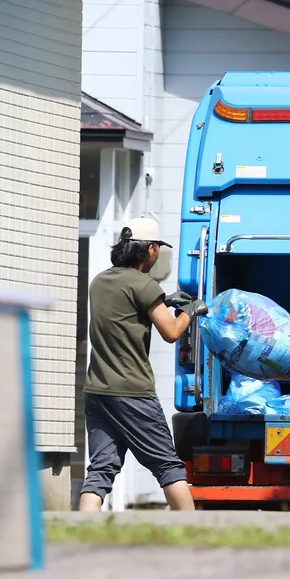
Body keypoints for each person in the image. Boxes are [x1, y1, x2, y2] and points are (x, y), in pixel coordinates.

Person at [79, 217, 207, 512]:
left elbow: (126, 313)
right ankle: (194, 531)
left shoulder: (99, 282)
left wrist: (163, 301)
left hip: (98, 390)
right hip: (132, 392)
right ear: (148, 249)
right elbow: (172, 332)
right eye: (158, 248)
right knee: (167, 465)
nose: (158, 253)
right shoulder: (144, 284)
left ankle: (81, 529)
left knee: (100, 469)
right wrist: (190, 310)